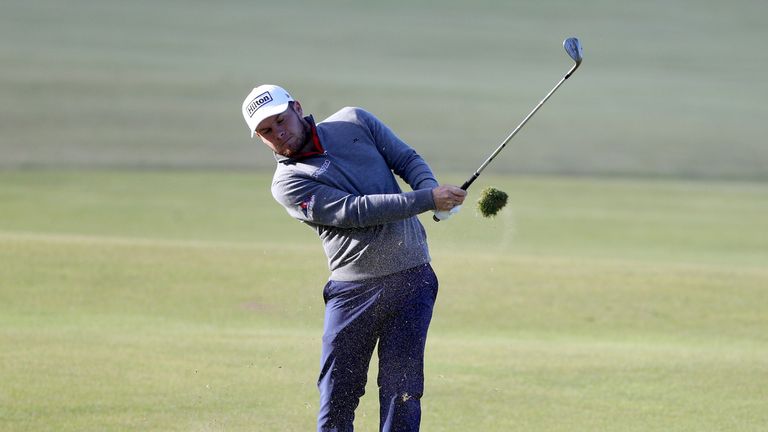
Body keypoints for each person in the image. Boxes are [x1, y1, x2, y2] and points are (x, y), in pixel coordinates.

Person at [241, 84, 466, 431]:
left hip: (412, 277)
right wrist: (427, 200)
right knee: (338, 397)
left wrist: (431, 190)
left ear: (297, 108)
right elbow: (354, 211)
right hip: (354, 292)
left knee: (402, 392)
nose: (279, 133)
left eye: (281, 120)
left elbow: (407, 159)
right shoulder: (287, 183)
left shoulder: (354, 121)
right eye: (266, 131)